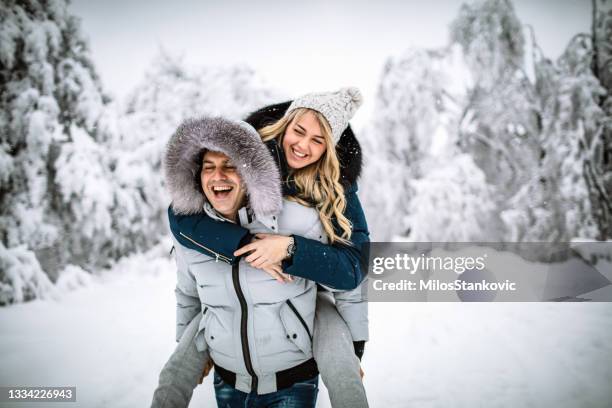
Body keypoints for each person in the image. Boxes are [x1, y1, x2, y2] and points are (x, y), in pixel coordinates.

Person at [154, 88, 370, 408]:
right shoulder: (247, 156)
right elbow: (182, 217)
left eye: (318, 140)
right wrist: (243, 243)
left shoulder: (333, 189)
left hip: (292, 362)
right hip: (232, 371)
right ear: (284, 125)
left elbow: (352, 268)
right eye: (298, 131)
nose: (303, 145)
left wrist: (291, 250)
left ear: (330, 148)